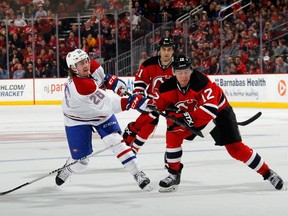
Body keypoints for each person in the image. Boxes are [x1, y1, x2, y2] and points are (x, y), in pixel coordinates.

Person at [130, 54, 285, 192]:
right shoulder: (166, 88)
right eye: (180, 72)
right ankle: (173, 174)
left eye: (186, 72)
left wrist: (188, 117)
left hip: (219, 113)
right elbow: (157, 106)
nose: (183, 76)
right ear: (173, 73)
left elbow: (210, 110)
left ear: (191, 70)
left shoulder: (201, 81)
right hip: (191, 115)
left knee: (235, 149)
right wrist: (147, 105)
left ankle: (268, 172)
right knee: (172, 135)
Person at [55, 49, 152, 191]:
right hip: (77, 119)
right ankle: (68, 168)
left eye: (86, 60)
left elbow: (103, 78)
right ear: (73, 68)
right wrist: (133, 101)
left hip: (99, 114)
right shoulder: (82, 86)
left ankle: (138, 173)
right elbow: (111, 104)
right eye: (81, 63)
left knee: (116, 142)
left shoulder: (91, 66)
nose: (86, 64)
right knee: (81, 163)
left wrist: (112, 82)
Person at [122, 37, 175, 154]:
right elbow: (140, 80)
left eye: (169, 49)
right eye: (164, 49)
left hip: (173, 102)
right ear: (159, 50)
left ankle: (172, 151)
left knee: (174, 127)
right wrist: (140, 94)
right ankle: (133, 148)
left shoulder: (178, 65)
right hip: (154, 101)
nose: (166, 52)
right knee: (150, 122)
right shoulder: (149, 64)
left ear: (173, 51)